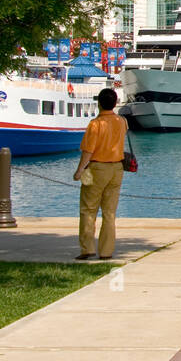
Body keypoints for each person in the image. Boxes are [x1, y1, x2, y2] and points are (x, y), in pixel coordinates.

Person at [73, 87, 128, 260]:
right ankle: (106, 251)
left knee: (88, 209)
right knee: (109, 212)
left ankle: (87, 247)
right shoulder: (122, 122)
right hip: (117, 168)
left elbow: (88, 150)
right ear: (115, 103)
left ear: (99, 104)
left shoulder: (95, 124)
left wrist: (79, 170)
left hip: (97, 167)